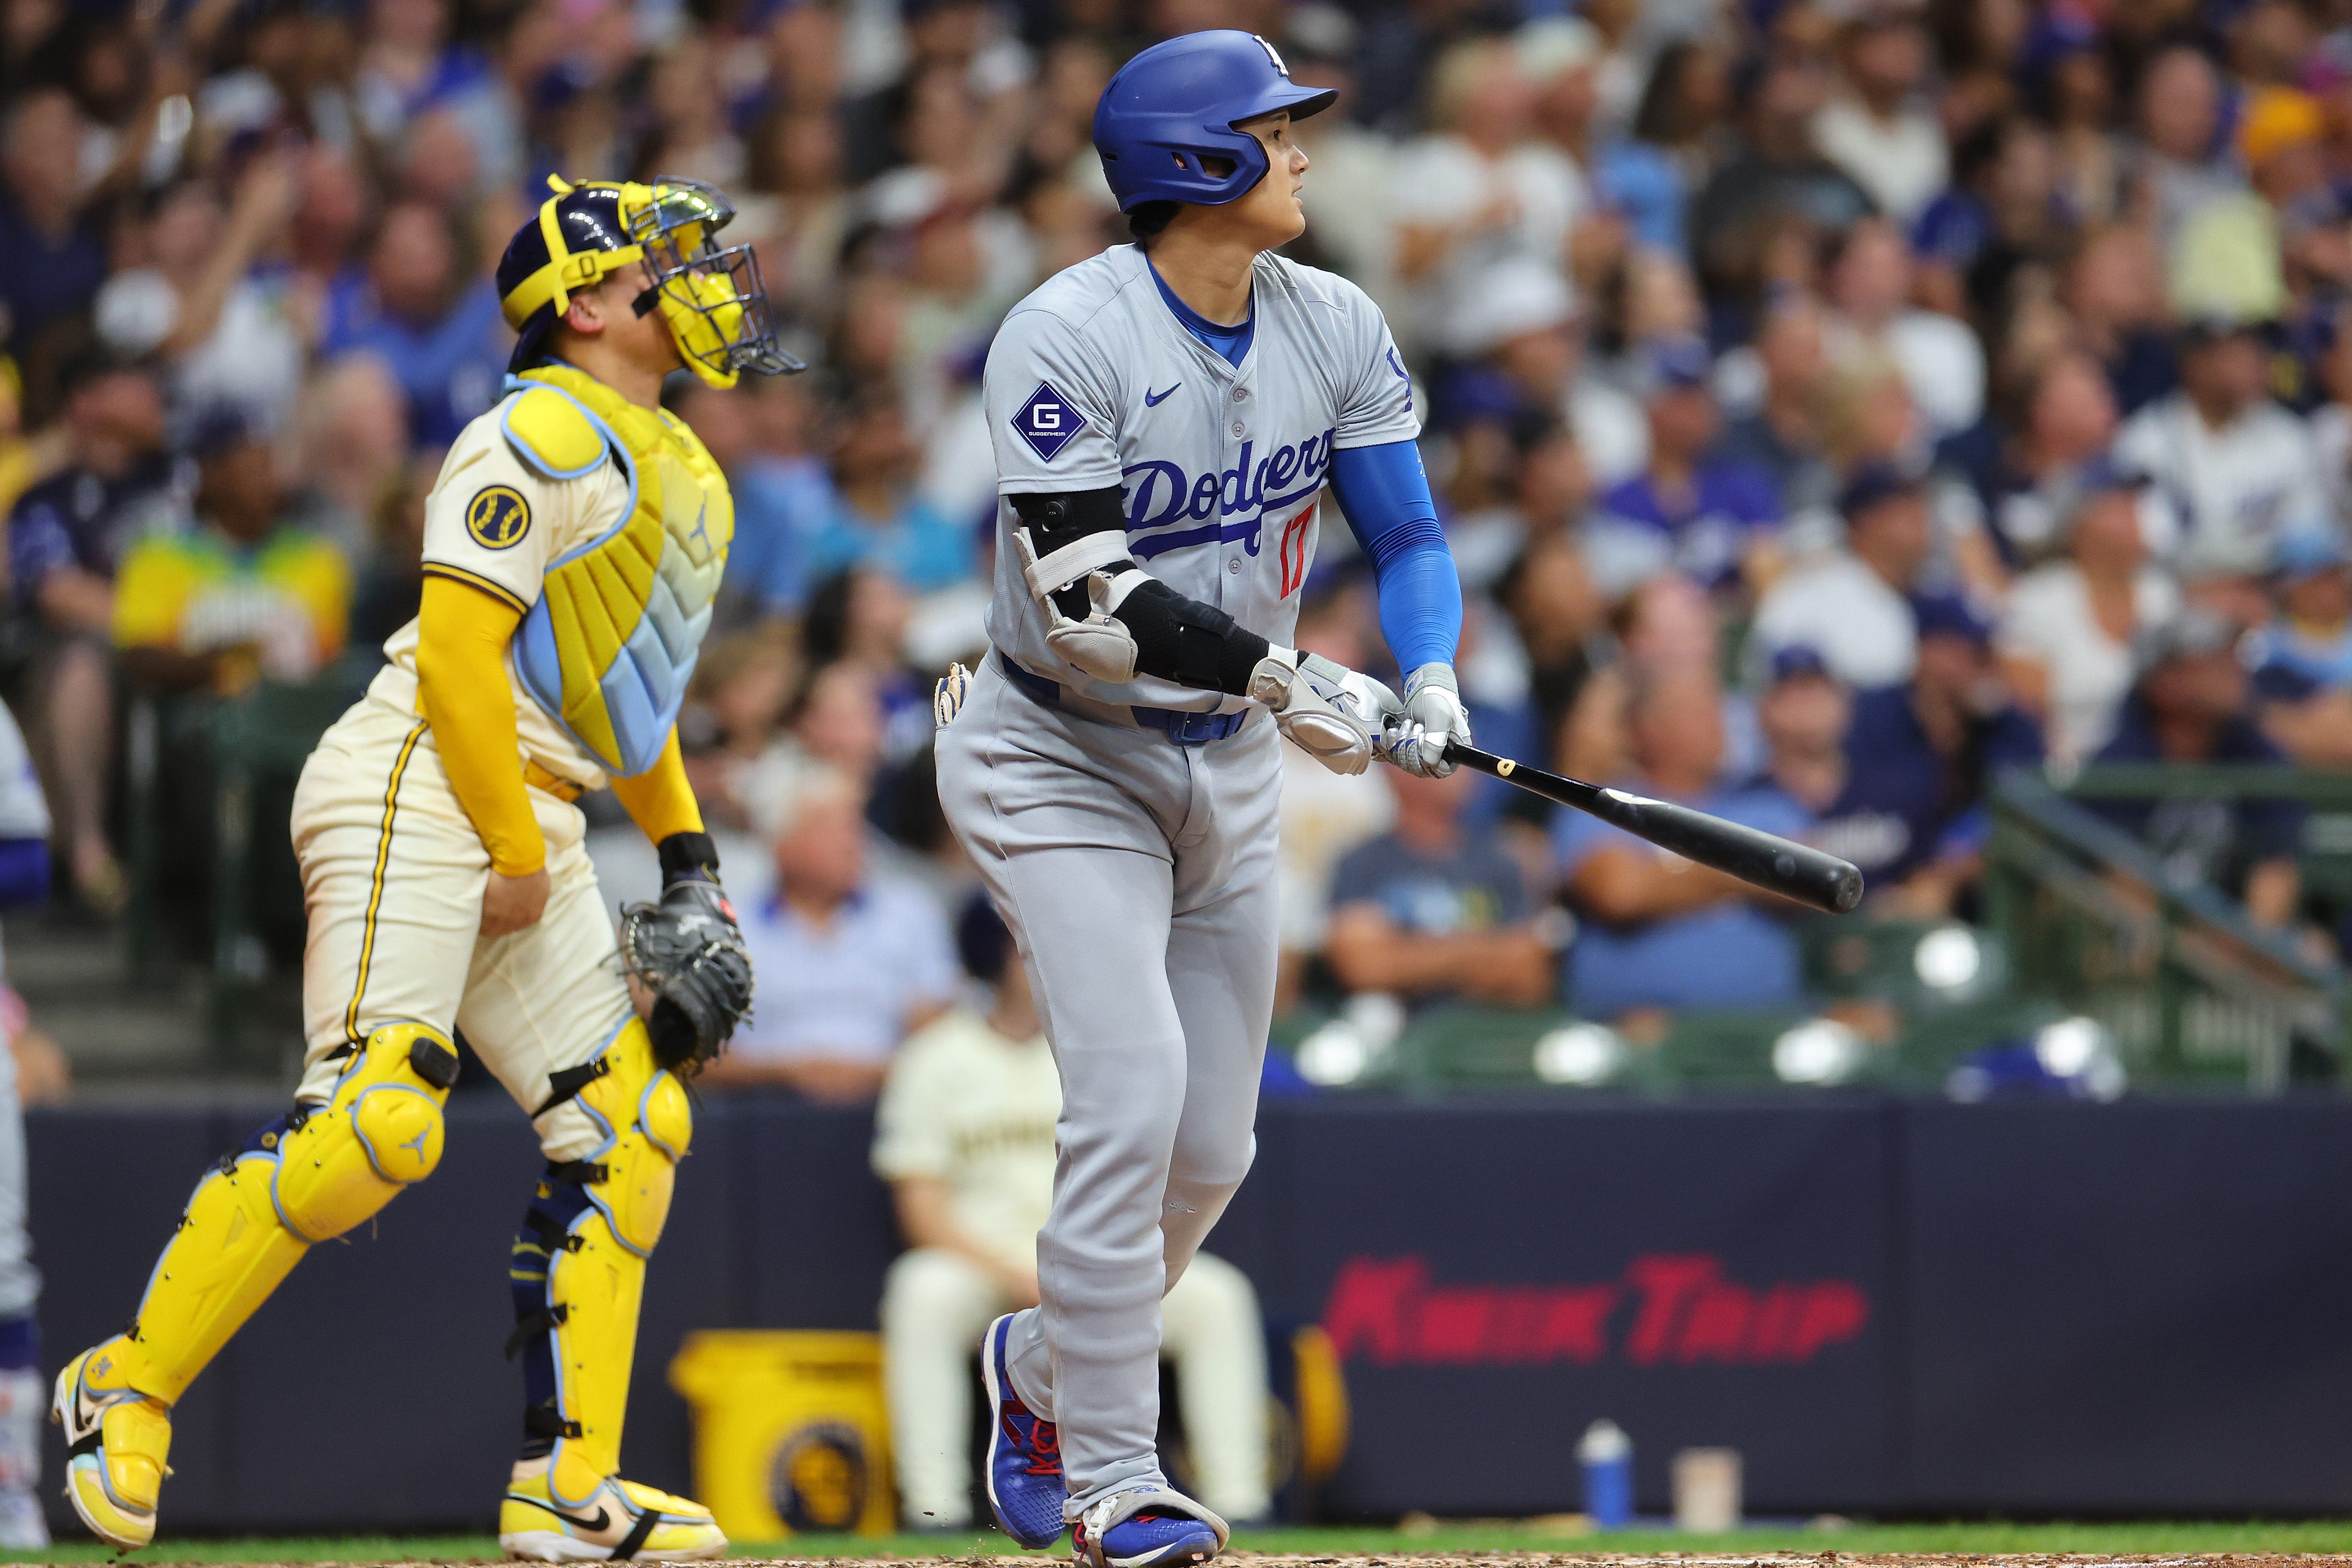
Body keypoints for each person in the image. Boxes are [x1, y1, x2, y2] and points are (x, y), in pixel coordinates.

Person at [52, 175, 797, 1561]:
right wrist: (512, 846)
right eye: (663, 263)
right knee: (378, 1122)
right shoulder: (537, 427)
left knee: (632, 1128)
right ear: (583, 302)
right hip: (422, 777)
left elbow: (623, 707)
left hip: (537, 802)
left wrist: (691, 856)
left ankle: (567, 1488)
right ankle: (126, 1388)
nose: (704, 280)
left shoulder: (677, 460)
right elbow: (458, 651)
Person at [931, 33, 1466, 1568]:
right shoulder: (1062, 332)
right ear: (1200, 163)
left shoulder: (1335, 320)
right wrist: (1296, 679)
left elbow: (1409, 535)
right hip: (1056, 746)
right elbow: (1092, 593)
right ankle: (1112, 1479)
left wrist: (1423, 679)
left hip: (1223, 758)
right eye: (1275, 129)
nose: (1301, 152)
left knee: (1213, 1149)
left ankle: (1040, 1370)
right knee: (1130, 1095)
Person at [876, 900, 1270, 1533]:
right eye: (1025, 943)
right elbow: (921, 1208)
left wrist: (1085, 1270)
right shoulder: (937, 1057)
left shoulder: (1107, 1046)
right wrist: (1019, 1275)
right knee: (920, 1290)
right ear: (997, 955)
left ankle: (1246, 1503)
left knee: (1220, 1297)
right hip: (983, 1258)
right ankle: (934, 1510)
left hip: (1097, 1249)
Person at [9, 350, 184, 912]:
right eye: (130, 382)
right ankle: (88, 854)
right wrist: (161, 625)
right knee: (79, 668)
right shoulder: (48, 493)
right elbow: (57, 592)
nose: (150, 393)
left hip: (192, 655)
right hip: (90, 656)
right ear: (86, 401)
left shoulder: (182, 479)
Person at [1553, 665, 1809, 1020]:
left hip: (1768, 1029)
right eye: (1699, 712)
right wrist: (1747, 869)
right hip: (1637, 1031)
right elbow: (1620, 893)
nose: (1720, 722)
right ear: (1650, 729)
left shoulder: (1765, 805)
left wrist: (1667, 877)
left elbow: (1803, 880)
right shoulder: (1601, 805)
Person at [706, 766, 958, 1101]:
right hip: (756, 1113)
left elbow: (939, 1030)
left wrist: (877, 1074)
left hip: (896, 1103)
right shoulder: (728, 929)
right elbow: (700, 1054)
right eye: (832, 831)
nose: (854, 844)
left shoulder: (909, 913)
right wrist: (787, 1072)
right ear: (781, 844)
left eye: (856, 827)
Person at [1813, 594, 2042, 916]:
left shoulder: (2008, 726)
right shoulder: (1873, 718)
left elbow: (2027, 821)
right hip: (1878, 887)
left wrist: (1949, 874)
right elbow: (1855, 817)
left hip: (1979, 900)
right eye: (1972, 650)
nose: (1984, 662)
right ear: (1928, 652)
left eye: (1987, 651)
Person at [110, 409, 352, 695]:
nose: (270, 480)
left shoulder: (317, 558)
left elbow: (331, 666)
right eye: (254, 465)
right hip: (194, 725)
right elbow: (138, 655)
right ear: (213, 475)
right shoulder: (160, 557)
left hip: (293, 727)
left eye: (271, 463)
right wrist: (228, 664)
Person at [2092, 608, 2305, 929]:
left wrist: (2248, 944)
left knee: (2309, 951)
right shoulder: (2118, 766)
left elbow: (2276, 868)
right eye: (2215, 661)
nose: (2236, 669)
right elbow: (2120, 882)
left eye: (2233, 656)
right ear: (2165, 684)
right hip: (2140, 943)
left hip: (2232, 943)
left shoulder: (2256, 753)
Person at [2113, 318, 2325, 585]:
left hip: (2278, 589)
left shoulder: (2287, 434)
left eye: (2255, 353)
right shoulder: (2147, 442)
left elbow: (2309, 536)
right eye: (2234, 355)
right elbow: (2150, 550)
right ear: (2195, 366)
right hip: (2184, 593)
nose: (2254, 365)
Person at [1325, 766, 1557, 1010]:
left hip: (1486, 1030)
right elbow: (1363, 968)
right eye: (1451, 751)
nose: (1467, 766)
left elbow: (1530, 973)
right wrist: (1484, 952)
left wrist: (1409, 956)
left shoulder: (1500, 862)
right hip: (1397, 1032)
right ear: (1403, 769)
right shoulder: (1364, 863)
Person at [1995, 463, 2180, 765]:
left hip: (2153, 776)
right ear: (2079, 524)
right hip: (2070, 779)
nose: (2137, 516)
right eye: (2119, 506)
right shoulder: (2038, 600)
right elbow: (2027, 713)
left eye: (2134, 504)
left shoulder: (2162, 595)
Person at [1586, 335, 1782, 597]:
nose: (1703, 409)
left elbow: (1772, 579)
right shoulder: (1616, 501)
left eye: (1705, 396)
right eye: (1685, 398)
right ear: (1651, 407)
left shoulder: (1742, 485)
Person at [1748, 461, 1933, 690]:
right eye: (1906, 508)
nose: (1923, 517)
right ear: (1866, 521)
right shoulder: (1817, 596)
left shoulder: (1927, 590)